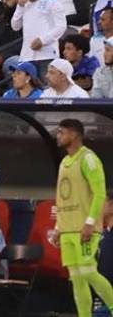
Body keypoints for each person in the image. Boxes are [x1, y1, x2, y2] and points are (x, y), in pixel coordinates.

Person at [52, 119, 113, 317]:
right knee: (76, 278)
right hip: (67, 229)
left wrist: (89, 222)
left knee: (88, 271)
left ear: (74, 134)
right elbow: (63, 196)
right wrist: (58, 227)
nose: (58, 136)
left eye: (61, 132)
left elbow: (100, 193)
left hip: (84, 229)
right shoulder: (64, 162)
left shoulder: (88, 158)